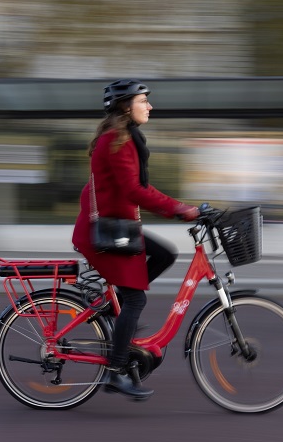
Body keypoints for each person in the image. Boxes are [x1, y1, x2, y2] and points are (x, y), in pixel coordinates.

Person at [71, 79, 199, 401]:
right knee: (136, 299)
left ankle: (113, 311)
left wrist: (179, 208)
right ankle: (115, 372)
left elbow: (136, 191)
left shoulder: (125, 138)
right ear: (127, 106)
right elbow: (134, 191)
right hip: (104, 234)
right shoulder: (116, 140)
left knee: (165, 255)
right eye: (144, 101)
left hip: (120, 228)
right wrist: (181, 209)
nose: (150, 106)